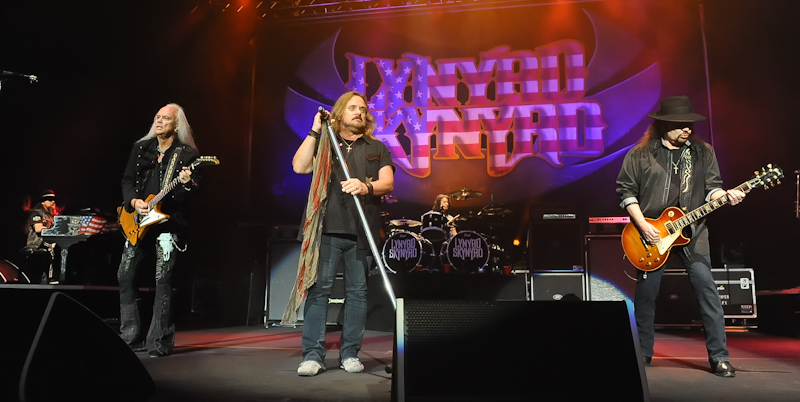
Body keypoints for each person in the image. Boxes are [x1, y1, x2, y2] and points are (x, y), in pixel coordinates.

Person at [616, 95, 745, 377]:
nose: (687, 129)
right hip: (650, 234)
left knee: (707, 291)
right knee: (646, 295)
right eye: (680, 124)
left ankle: (719, 357)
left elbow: (713, 188)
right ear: (663, 125)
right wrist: (644, 225)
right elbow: (626, 192)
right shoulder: (640, 154)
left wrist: (725, 196)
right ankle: (643, 352)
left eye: (689, 124)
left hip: (693, 231)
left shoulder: (703, 152)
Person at [284, 91, 395, 376]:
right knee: (318, 291)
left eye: (363, 108)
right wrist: (315, 130)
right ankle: (313, 355)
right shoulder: (325, 144)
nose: (360, 112)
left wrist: (365, 187)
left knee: (357, 294)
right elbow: (299, 167)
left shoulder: (376, 147)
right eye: (353, 108)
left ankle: (349, 354)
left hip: (361, 231)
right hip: (326, 230)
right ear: (339, 113)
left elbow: (388, 183)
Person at [117, 103, 200, 358]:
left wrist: (187, 184)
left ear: (177, 125)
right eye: (157, 117)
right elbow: (128, 180)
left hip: (168, 222)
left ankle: (159, 341)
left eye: (165, 118)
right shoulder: (141, 148)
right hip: (139, 220)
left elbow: (194, 193)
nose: (159, 121)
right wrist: (133, 202)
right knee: (125, 275)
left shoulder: (187, 154)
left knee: (163, 280)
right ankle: (130, 337)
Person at [21, 190, 58, 283]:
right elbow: (38, 228)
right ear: (42, 202)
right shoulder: (36, 213)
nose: (53, 202)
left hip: (48, 249)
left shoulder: (50, 216)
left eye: (53, 199)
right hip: (36, 248)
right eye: (49, 199)